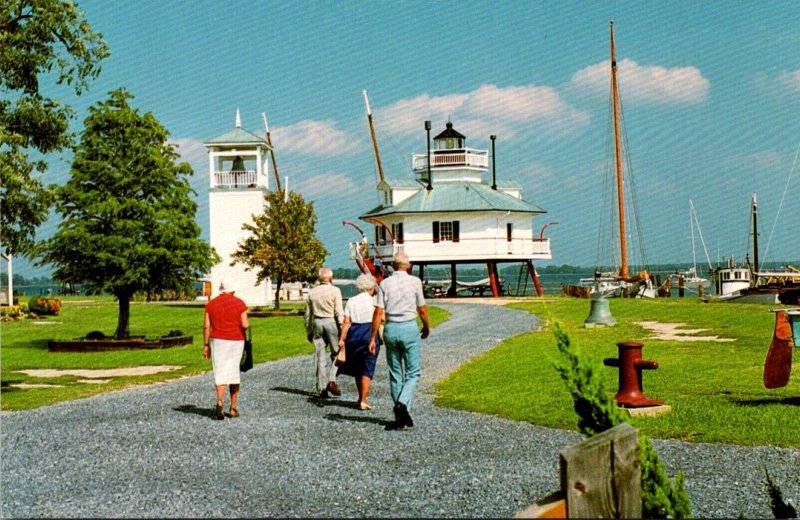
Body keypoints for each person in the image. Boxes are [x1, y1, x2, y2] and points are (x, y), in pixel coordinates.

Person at [368, 251, 430, 430]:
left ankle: (401, 415)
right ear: (408, 265)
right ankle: (402, 403)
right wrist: (426, 327)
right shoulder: (415, 282)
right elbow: (422, 308)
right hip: (409, 327)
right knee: (413, 372)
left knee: (395, 372)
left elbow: (378, 312)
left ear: (393, 265)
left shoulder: (384, 284)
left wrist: (372, 337)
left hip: (391, 327)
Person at [203, 276, 249, 420]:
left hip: (217, 340)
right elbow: (245, 324)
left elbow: (206, 326)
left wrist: (205, 345)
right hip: (236, 340)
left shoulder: (211, 304)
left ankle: (219, 401)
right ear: (233, 289)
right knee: (234, 370)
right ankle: (233, 407)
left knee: (220, 371)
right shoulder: (240, 303)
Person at [337, 273, 382, 410]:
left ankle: (360, 397)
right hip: (369, 331)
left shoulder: (351, 300)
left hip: (354, 332)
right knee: (368, 365)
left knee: (357, 366)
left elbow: (346, 322)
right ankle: (363, 399)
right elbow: (382, 318)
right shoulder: (374, 301)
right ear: (371, 286)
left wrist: (342, 338)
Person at [305, 267, 344, 398]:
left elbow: (307, 314)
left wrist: (309, 330)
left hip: (317, 322)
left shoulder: (312, 292)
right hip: (331, 322)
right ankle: (331, 379)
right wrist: (342, 327)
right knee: (337, 353)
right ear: (331, 279)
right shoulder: (335, 291)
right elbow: (339, 311)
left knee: (320, 356)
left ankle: (321, 387)